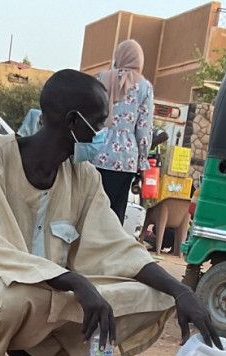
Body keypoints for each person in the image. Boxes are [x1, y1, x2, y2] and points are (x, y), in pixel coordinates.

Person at [0, 69, 220, 356]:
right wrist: (76, 282)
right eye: (97, 124)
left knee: (155, 296)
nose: (102, 134)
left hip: (52, 293)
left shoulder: (84, 177)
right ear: (72, 121)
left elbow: (116, 246)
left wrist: (180, 291)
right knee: (9, 300)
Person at [87, 39, 153, 223]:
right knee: (114, 215)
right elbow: (144, 130)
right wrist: (142, 161)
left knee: (90, 209)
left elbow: (90, 114)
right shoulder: (144, 87)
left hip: (96, 152)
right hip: (125, 159)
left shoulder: (101, 78)